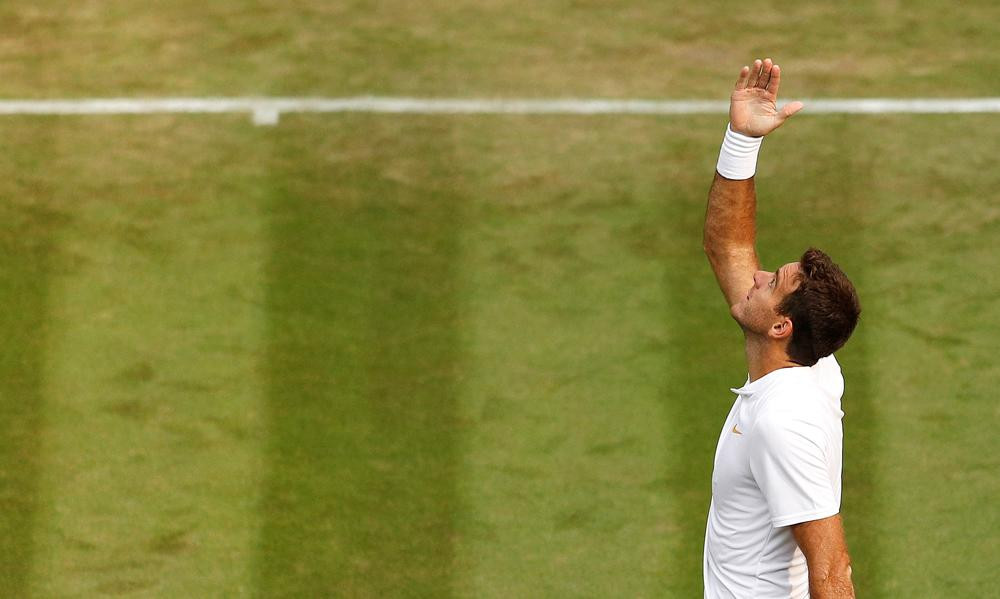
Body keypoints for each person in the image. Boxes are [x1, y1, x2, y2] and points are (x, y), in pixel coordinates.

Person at [701, 58, 862, 598]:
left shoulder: (783, 422)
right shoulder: (809, 364)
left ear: (780, 327)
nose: (759, 275)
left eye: (772, 282)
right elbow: (730, 248)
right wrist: (741, 142)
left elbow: (833, 568)